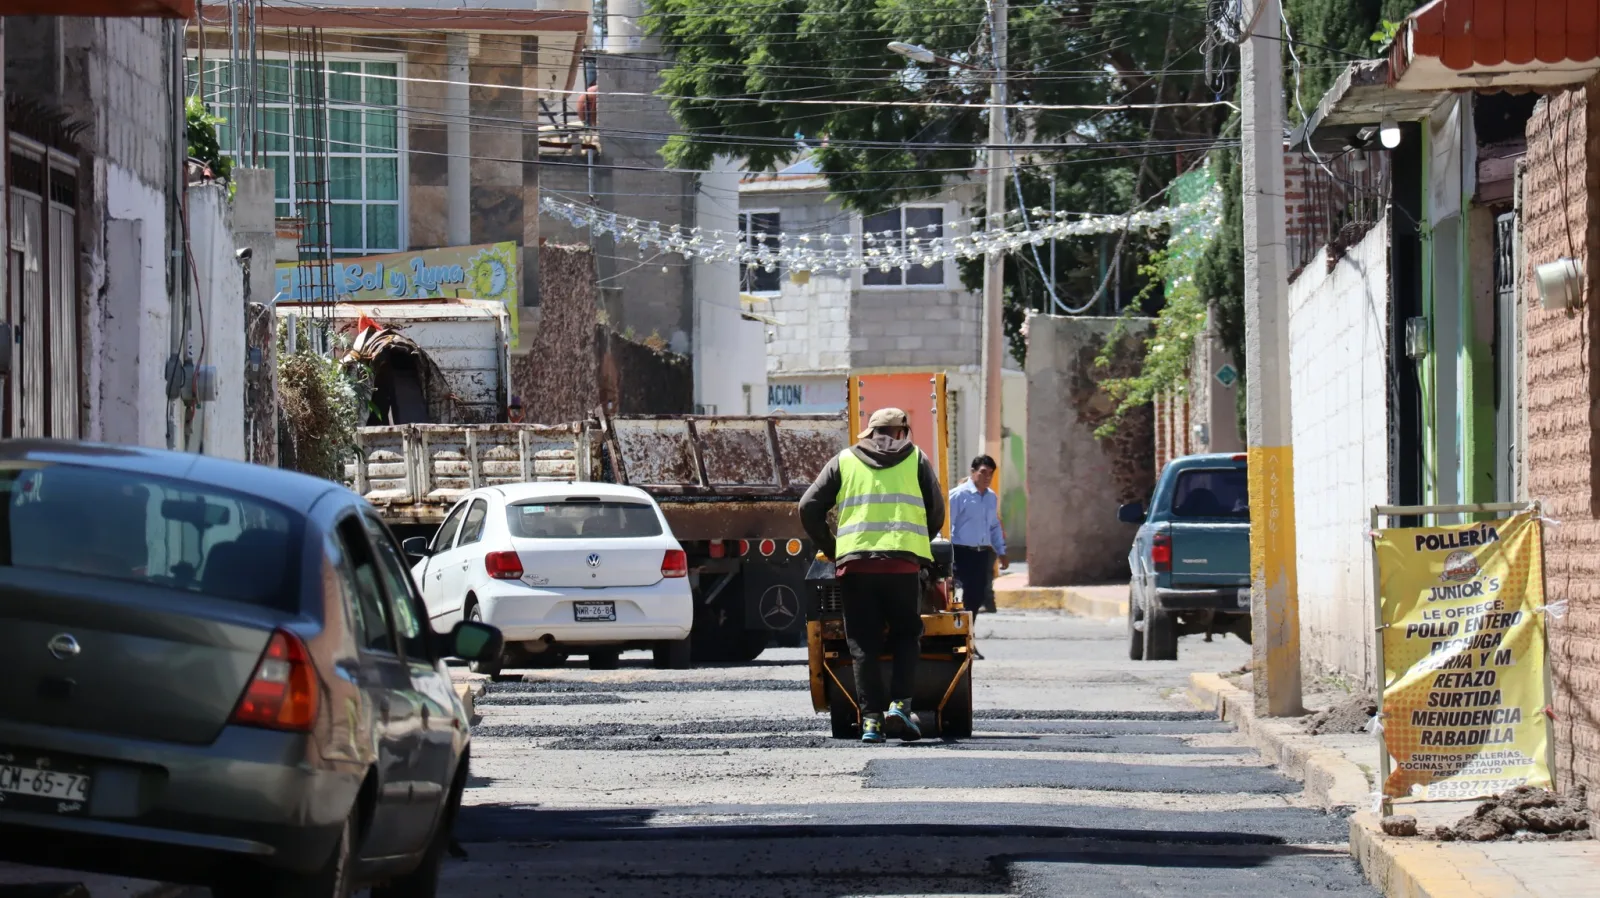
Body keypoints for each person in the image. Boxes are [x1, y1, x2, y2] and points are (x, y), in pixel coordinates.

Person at [800, 407, 945, 744]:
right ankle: (900, 705)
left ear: (870, 432)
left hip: (856, 567)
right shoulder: (917, 459)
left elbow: (807, 507)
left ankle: (871, 722)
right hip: (902, 565)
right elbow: (936, 510)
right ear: (902, 432)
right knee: (907, 634)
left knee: (863, 644)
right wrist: (916, 545)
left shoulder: (845, 460)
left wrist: (835, 548)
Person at [949, 455, 1009, 632]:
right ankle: (957, 634)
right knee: (960, 596)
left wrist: (1001, 551)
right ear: (973, 472)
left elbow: (993, 526)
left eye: (991, 473)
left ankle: (967, 634)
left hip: (982, 553)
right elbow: (945, 524)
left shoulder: (991, 497)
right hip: (961, 553)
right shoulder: (958, 495)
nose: (987, 477)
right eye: (983, 472)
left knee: (976, 596)